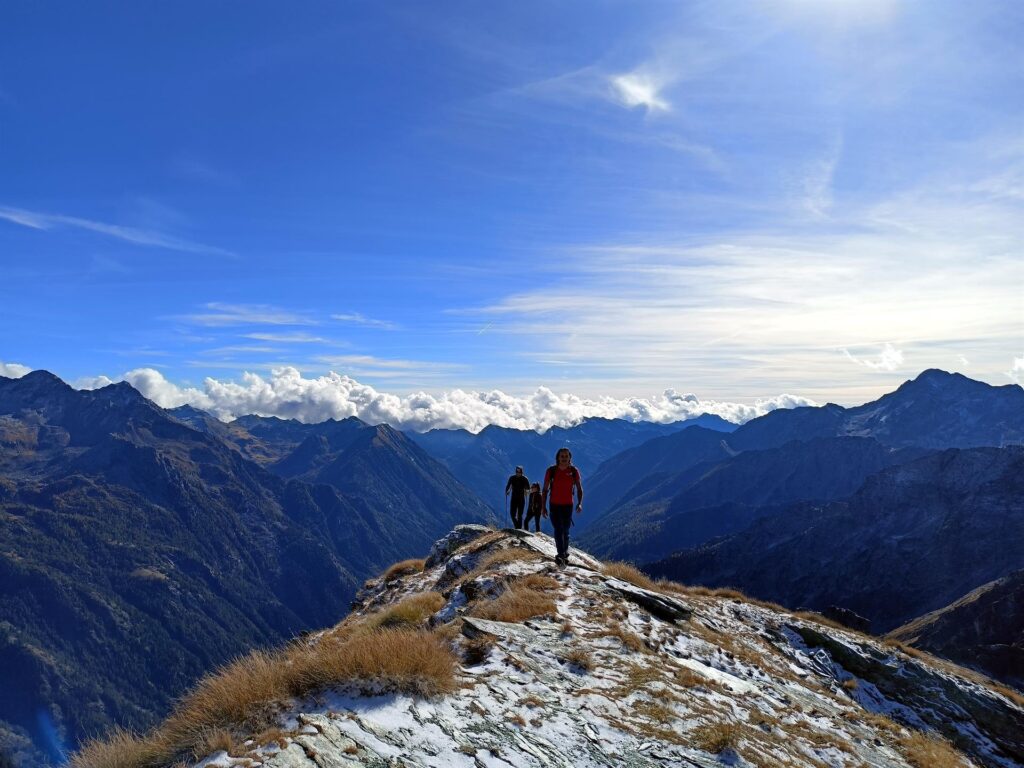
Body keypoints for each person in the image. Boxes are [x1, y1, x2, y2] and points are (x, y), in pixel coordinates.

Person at [542, 447, 583, 566]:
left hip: (568, 505)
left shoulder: (574, 471)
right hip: (554, 505)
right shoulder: (551, 471)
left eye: (566, 456)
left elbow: (580, 489)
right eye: (562, 456)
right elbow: (544, 490)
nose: (564, 458)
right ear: (558, 458)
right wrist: (543, 507)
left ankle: (564, 553)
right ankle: (561, 555)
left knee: (565, 530)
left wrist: (579, 503)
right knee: (558, 529)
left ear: (570, 458)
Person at [505, 465, 530, 529]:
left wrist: (526, 489)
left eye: (519, 472)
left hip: (521, 499)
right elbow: (508, 485)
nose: (518, 473)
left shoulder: (524, 479)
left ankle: (518, 529)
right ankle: (518, 527)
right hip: (514, 498)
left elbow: (528, 488)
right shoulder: (512, 478)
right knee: (512, 514)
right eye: (517, 472)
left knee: (520, 515)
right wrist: (507, 491)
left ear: (522, 472)